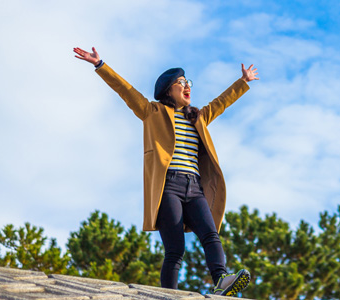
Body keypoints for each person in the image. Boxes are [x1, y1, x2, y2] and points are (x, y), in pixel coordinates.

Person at [73, 46, 258, 296]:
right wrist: (100, 65)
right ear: (169, 90)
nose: (187, 85)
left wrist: (243, 82)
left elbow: (221, 103)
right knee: (175, 250)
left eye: (188, 81)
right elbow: (126, 91)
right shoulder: (153, 112)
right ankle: (169, 295)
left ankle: (221, 280)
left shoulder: (199, 117)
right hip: (168, 186)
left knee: (211, 234)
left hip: (194, 187)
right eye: (181, 82)